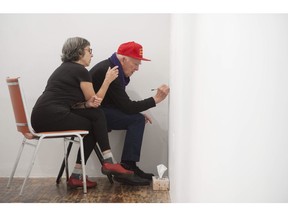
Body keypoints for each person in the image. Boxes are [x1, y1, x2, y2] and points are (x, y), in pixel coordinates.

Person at [31, 37, 133, 189]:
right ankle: (107, 162)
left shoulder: (65, 68)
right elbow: (97, 101)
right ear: (79, 52)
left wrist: (86, 104)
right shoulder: (80, 70)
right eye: (89, 50)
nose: (92, 54)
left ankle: (80, 174)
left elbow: (79, 101)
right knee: (95, 118)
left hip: (42, 116)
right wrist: (107, 80)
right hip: (51, 116)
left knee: (94, 116)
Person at [89, 41, 170, 185]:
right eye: (136, 64)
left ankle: (129, 167)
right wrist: (155, 99)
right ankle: (127, 168)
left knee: (137, 118)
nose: (137, 68)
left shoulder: (113, 68)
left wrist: (134, 113)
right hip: (92, 116)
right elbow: (126, 106)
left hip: (99, 111)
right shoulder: (111, 71)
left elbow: (118, 103)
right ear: (124, 59)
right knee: (136, 119)